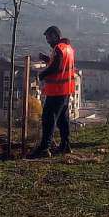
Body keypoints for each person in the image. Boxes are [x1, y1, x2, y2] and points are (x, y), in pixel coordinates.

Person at [32, 26, 76, 157]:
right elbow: (60, 64)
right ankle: (65, 145)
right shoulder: (68, 48)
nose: (47, 41)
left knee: (48, 119)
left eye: (48, 38)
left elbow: (56, 68)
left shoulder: (58, 49)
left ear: (56, 36)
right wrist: (46, 59)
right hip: (66, 91)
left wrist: (42, 75)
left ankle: (44, 148)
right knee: (63, 119)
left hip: (56, 91)